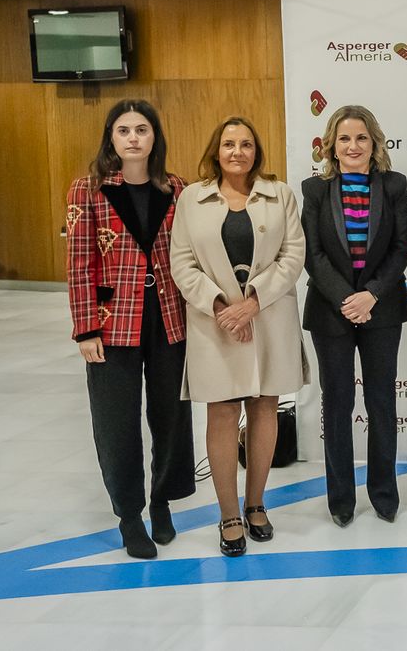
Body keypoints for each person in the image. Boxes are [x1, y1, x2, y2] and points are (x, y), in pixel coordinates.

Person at [169, 116, 308, 556]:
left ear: (256, 151)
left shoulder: (279, 194)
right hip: (215, 324)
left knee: (265, 405)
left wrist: (253, 302)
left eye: (246, 144)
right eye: (229, 143)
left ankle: (256, 504)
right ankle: (229, 514)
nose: (237, 152)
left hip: (267, 318)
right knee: (223, 412)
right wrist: (220, 307)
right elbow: (181, 262)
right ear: (216, 149)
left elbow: (294, 255)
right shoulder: (192, 198)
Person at [65, 100, 195, 558]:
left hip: (169, 317)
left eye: (142, 129)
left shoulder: (177, 188)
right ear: (111, 138)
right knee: (117, 422)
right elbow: (79, 264)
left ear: (155, 136)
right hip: (110, 323)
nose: (134, 138)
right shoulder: (87, 190)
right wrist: (85, 330)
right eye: (124, 130)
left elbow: (188, 257)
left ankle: (162, 502)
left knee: (171, 417)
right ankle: (129, 515)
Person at [301, 105, 407, 526]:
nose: (353, 146)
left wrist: (370, 295)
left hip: (381, 310)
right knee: (338, 403)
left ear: (373, 143)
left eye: (361, 138)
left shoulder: (393, 185)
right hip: (331, 311)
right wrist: (348, 298)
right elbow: (312, 254)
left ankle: (384, 493)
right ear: (332, 145)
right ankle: (341, 499)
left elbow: (403, 246)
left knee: (381, 401)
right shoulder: (314, 190)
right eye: (345, 138)